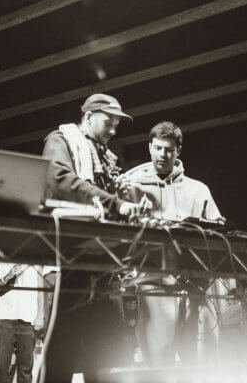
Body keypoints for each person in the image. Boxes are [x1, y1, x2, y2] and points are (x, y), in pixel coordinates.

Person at [41, 93, 150, 382]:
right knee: (64, 344)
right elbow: (60, 180)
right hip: (71, 257)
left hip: (103, 263)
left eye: (117, 125)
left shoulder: (105, 155)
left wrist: (126, 196)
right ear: (89, 116)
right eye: (108, 122)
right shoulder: (60, 139)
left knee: (108, 347)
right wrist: (116, 203)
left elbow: (107, 200)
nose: (113, 130)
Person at [122, 121, 226, 365]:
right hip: (154, 289)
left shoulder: (198, 190)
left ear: (178, 150)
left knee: (206, 367)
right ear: (149, 147)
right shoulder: (132, 188)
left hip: (196, 290)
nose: (162, 154)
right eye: (158, 148)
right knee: (159, 370)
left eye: (169, 150)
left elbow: (219, 236)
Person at [0, 263, 44, 383]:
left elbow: (41, 291)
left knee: (26, 368)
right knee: (1, 366)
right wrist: (8, 276)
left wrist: (40, 315)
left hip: (28, 318)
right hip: (4, 317)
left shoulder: (36, 263)